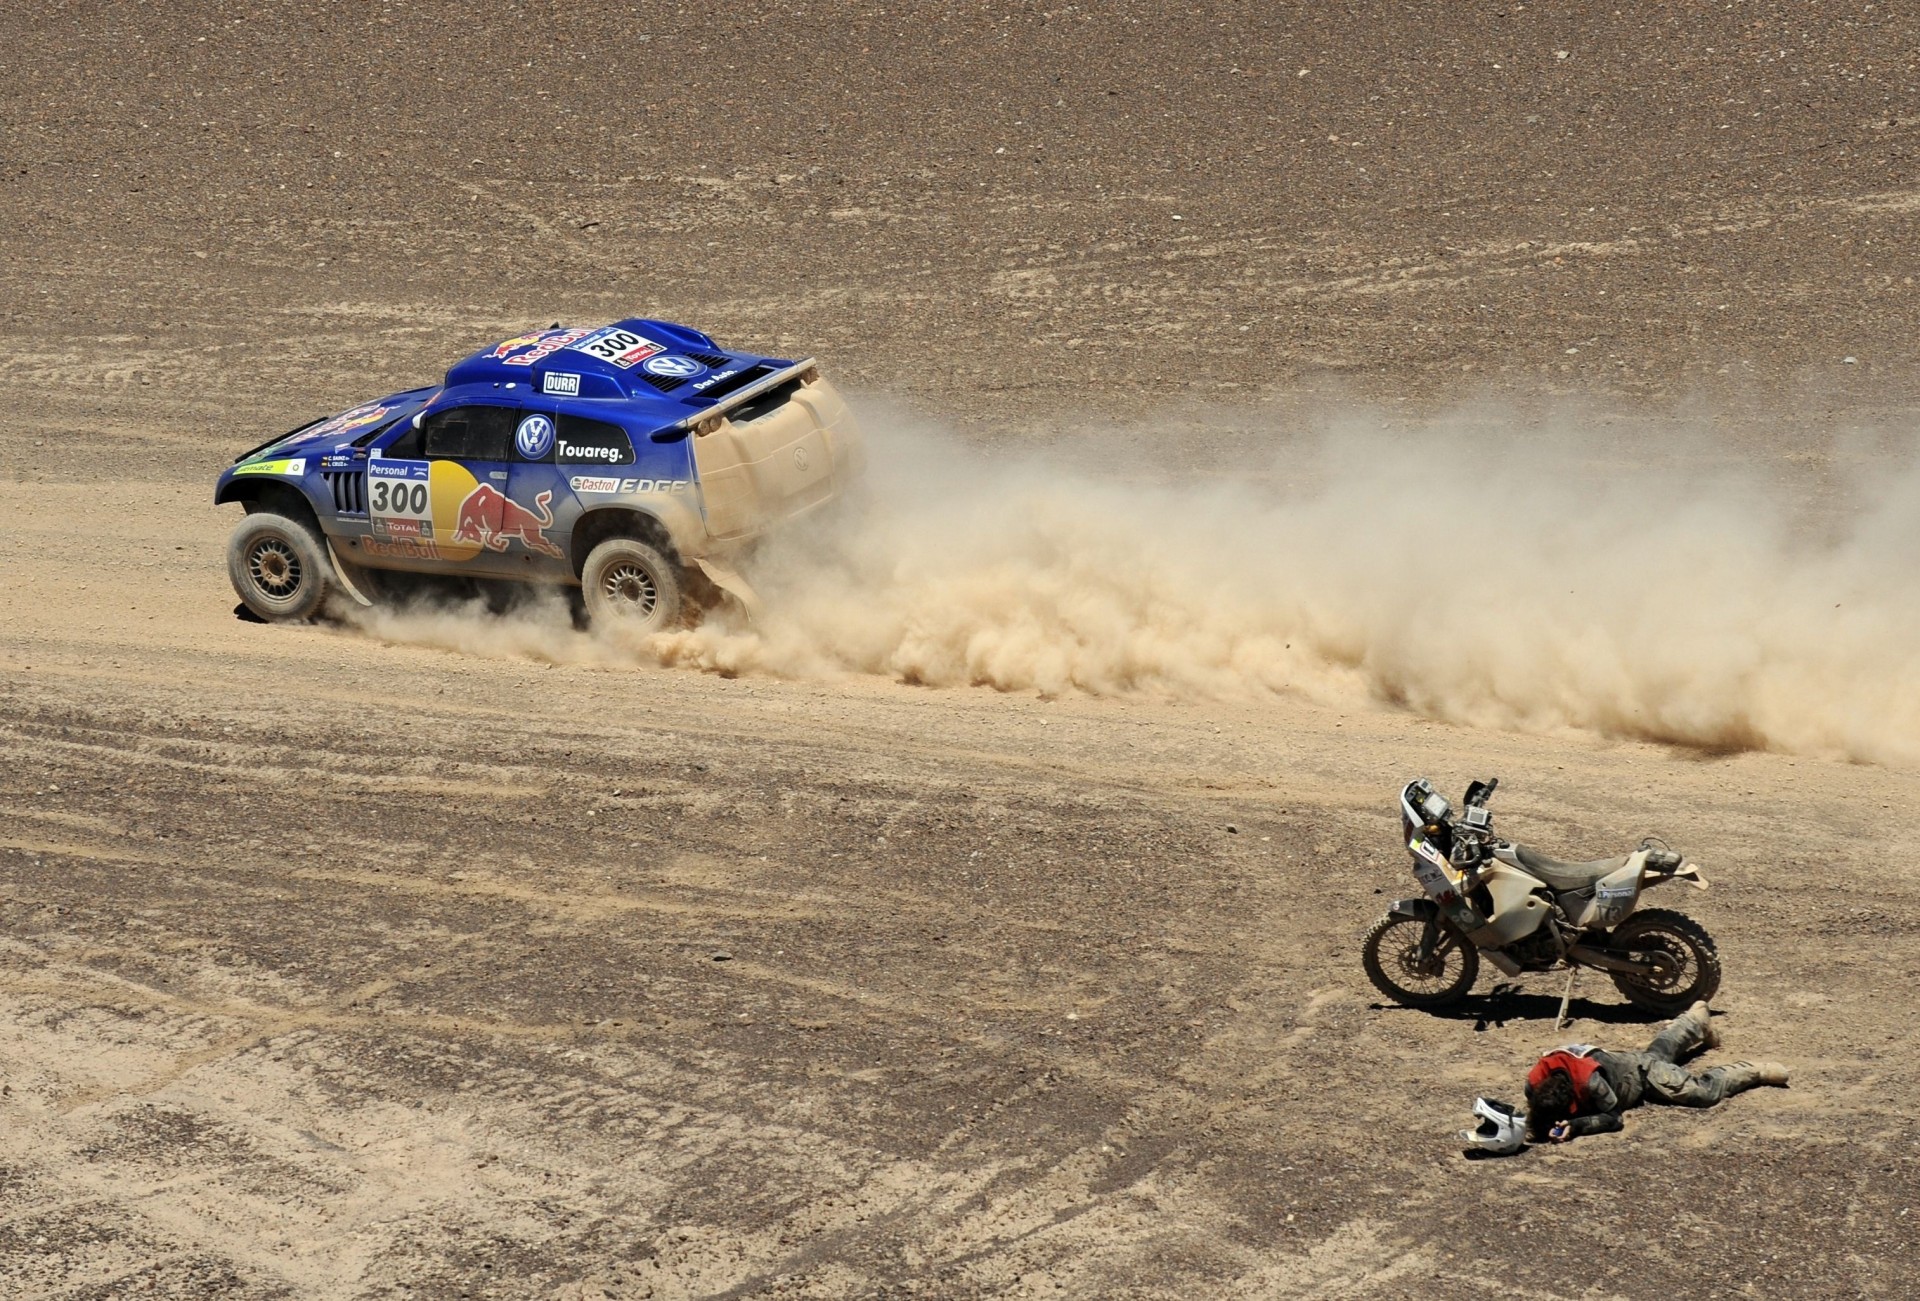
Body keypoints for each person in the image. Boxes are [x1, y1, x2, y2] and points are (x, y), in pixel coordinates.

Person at [1524, 1001, 1788, 1143]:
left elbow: (1614, 1118)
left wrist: (1578, 1126)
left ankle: (1754, 1071)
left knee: (1701, 1093)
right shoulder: (1534, 1082)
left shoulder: (1591, 1082)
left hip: (1640, 1074)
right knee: (1657, 1055)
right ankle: (1694, 1021)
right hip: (1625, 1061)